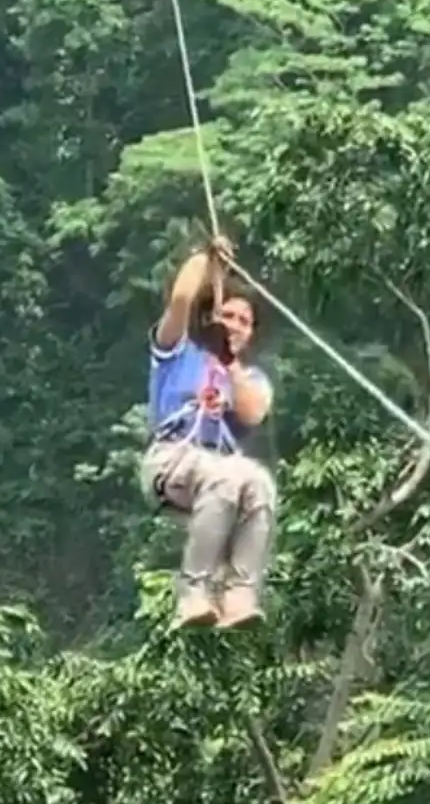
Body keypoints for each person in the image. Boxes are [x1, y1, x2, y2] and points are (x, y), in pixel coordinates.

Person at [140, 235, 276, 629]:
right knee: (232, 475)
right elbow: (181, 299)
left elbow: (252, 413)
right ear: (213, 318)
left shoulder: (248, 377)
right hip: (172, 460)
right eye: (228, 316)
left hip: (216, 473)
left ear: (251, 334)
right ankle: (193, 591)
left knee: (259, 482)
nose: (235, 325)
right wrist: (207, 260)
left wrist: (229, 362)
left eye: (244, 321)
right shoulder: (178, 353)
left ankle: (239, 595)